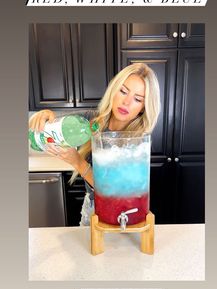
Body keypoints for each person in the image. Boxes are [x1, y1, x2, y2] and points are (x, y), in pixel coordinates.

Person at [29, 63, 161, 225]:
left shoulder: (137, 141)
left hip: (127, 212)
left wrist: (77, 161)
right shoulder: (91, 121)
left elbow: (113, 190)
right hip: (92, 209)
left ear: (143, 107)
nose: (126, 102)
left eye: (137, 99)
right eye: (123, 91)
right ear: (114, 90)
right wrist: (45, 115)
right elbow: (56, 122)